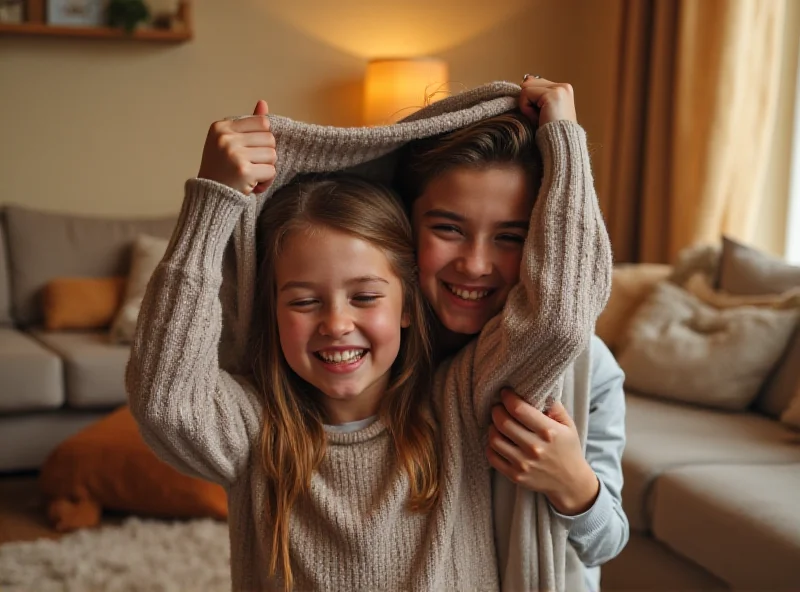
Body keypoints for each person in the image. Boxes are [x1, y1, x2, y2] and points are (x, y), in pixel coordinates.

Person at [126, 80, 612, 591]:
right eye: (304, 300)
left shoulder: (458, 404)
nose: (336, 323)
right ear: (271, 311)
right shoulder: (252, 428)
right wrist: (213, 200)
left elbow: (559, 318)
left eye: (364, 297)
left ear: (407, 304)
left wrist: (563, 135)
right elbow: (165, 402)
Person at [394, 76, 629, 592]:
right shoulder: (377, 351)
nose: (476, 265)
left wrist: (573, 483)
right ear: (404, 222)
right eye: (448, 228)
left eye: (511, 238)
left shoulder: (591, 368)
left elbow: (606, 541)